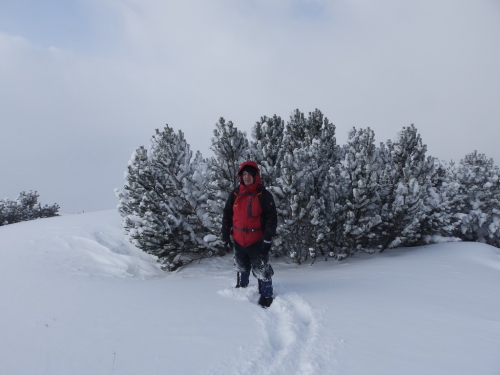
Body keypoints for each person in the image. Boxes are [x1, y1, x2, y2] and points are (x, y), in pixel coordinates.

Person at [221, 161, 278, 308]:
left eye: (249, 174)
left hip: (257, 241)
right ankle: (242, 289)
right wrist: (225, 234)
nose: (246, 177)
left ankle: (266, 295)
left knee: (262, 269)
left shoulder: (264, 195)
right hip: (239, 240)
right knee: (241, 267)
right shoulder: (235, 194)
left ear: (255, 176)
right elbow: (227, 214)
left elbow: (272, 218)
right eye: (244, 174)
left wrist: (268, 238)